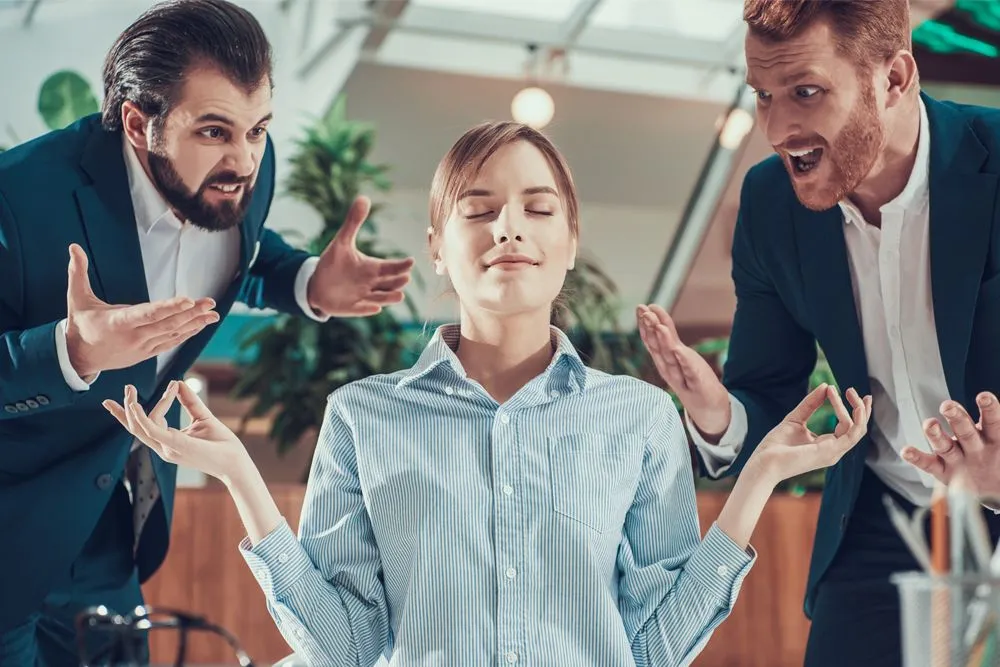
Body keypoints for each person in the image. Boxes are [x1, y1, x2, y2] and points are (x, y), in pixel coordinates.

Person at [107, 120, 871, 667]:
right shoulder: (363, 417)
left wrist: (759, 476)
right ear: (438, 248)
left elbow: (652, 646)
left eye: (538, 208)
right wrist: (241, 476)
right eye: (477, 210)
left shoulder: (638, 418)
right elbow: (346, 647)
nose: (509, 227)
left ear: (570, 242)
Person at [0, 1, 413, 664]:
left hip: (111, 529)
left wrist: (304, 281)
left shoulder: (244, 170)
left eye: (258, 129)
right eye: (215, 131)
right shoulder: (18, 198)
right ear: (139, 123)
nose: (244, 160)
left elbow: (234, 251)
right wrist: (69, 351)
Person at [636, 1, 1000, 665]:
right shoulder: (772, 203)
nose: (777, 129)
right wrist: (717, 412)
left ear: (894, 79)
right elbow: (767, 394)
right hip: (882, 517)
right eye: (762, 95)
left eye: (805, 92)